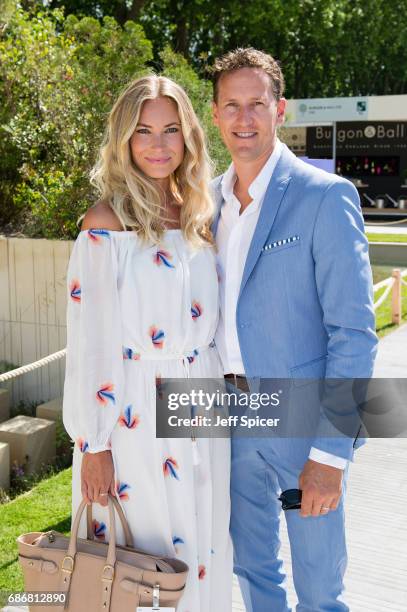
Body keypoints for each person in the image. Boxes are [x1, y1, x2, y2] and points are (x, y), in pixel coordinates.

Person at [210, 48, 378, 611]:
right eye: (231, 105)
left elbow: (353, 335)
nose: (244, 118)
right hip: (226, 418)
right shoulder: (203, 202)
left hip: (303, 424)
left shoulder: (325, 197)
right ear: (215, 115)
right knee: (254, 575)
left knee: (320, 593)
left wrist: (330, 456)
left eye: (257, 103)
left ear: (280, 109)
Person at [62, 74, 232, 612]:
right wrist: (95, 443)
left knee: (203, 543)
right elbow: (91, 340)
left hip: (201, 401)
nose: (158, 145)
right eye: (143, 131)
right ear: (123, 139)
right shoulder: (105, 223)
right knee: (141, 561)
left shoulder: (201, 213)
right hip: (134, 409)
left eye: (171, 130)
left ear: (188, 137)